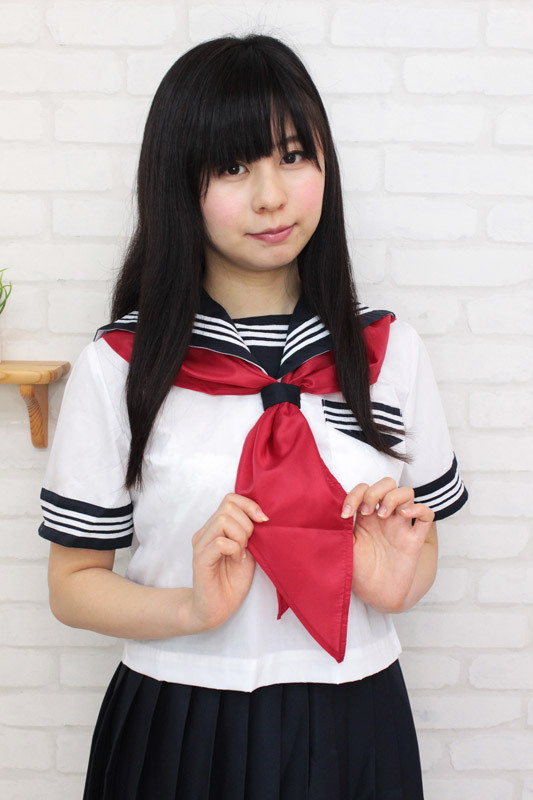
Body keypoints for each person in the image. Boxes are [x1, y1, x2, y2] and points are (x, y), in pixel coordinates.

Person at [38, 33, 468, 800]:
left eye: (293, 156)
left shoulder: (388, 350)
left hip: (354, 719)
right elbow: (72, 584)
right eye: (234, 167)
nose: (271, 196)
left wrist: (393, 585)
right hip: (177, 719)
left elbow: (420, 548)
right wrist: (190, 606)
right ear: (180, 182)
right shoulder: (121, 364)